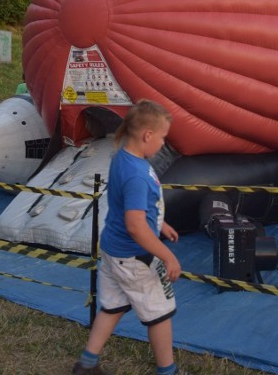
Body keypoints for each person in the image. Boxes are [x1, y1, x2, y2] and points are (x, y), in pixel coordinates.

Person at [72, 100, 183, 375]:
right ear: (147, 135)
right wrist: (166, 255)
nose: (163, 144)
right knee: (160, 313)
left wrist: (159, 223)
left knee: (112, 307)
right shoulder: (136, 173)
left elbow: (131, 207)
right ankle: (168, 371)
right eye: (163, 138)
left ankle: (86, 364)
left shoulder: (125, 156)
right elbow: (135, 226)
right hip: (136, 257)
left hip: (113, 251)